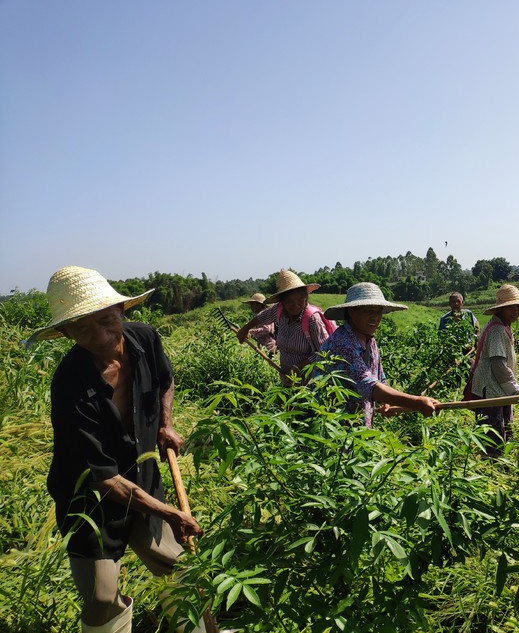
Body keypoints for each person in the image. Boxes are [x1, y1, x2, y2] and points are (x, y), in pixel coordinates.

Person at [26, 266, 204, 633]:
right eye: (82, 329)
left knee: (178, 567)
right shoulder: (69, 384)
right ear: (64, 333)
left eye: (107, 321)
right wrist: (171, 513)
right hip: (91, 496)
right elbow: (104, 479)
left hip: (142, 473)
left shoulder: (145, 339)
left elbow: (165, 381)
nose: (101, 336)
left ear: (121, 311)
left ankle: (199, 627)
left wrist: (165, 424)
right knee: (101, 597)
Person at [313, 282, 438, 426]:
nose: (375, 317)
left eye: (378, 311)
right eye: (368, 311)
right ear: (352, 311)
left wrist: (386, 402)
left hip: (357, 429)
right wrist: (416, 402)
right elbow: (370, 386)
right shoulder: (342, 344)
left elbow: (379, 379)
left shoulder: (368, 339)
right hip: (332, 428)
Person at [468, 284, 519, 455]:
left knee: (505, 428)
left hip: (499, 390)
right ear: (501, 309)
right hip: (492, 391)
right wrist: (515, 390)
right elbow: (498, 366)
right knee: (494, 435)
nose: (516, 310)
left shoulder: (502, 326)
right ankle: (493, 468)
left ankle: (502, 465)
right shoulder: (497, 330)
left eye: (518, 306)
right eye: (510, 307)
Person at [237, 270, 334, 383]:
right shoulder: (279, 310)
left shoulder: (312, 319)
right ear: (282, 302)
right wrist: (245, 328)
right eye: (290, 302)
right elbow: (262, 316)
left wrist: (299, 367)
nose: (296, 306)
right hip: (287, 378)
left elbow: (324, 352)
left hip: (310, 383)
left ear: (306, 297)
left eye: (300, 300)